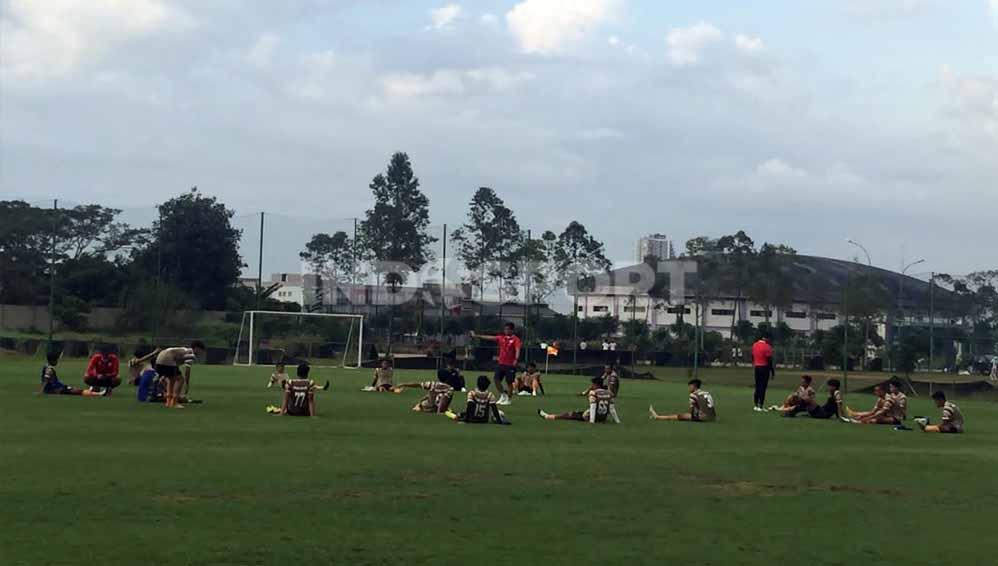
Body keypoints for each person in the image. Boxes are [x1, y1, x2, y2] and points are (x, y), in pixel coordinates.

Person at [470, 322, 522, 406]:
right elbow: (490, 337)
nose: (506, 331)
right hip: (501, 363)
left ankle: (508, 399)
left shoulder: (516, 339)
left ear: (512, 330)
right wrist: (477, 336)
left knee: (509, 382)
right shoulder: (502, 338)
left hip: (510, 364)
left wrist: (516, 359)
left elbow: (517, 349)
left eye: (508, 329)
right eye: (505, 329)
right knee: (496, 380)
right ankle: (503, 395)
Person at [538, 376, 620, 423]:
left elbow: (593, 407)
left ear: (595, 384)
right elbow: (612, 409)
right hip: (602, 418)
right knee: (577, 413)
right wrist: (617, 421)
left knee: (570, 414)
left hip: (591, 417)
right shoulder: (609, 393)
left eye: (592, 384)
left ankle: (548, 416)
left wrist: (592, 421)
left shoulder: (593, 393)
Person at [154, 340, 206, 409]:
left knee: (171, 380)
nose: (201, 353)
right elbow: (186, 369)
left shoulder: (183, 349)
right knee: (180, 379)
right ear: (196, 348)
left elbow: (177, 361)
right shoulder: (191, 354)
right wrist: (187, 384)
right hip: (167, 359)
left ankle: (168, 401)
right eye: (200, 350)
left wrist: (164, 375)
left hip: (159, 359)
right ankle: (174, 402)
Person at [445, 376, 509, 424]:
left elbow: (470, 407)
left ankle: (452, 414)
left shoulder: (472, 393)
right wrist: (500, 421)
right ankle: (457, 414)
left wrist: (466, 419)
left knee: (459, 415)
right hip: (484, 420)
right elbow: (494, 409)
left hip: (472, 418)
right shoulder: (490, 395)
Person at [38, 351, 105, 397]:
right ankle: (99, 394)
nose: (57, 362)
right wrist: (41, 391)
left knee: (73, 389)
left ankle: (93, 391)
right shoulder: (49, 369)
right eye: (56, 360)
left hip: (58, 387)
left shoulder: (46, 366)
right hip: (55, 389)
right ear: (53, 360)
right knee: (76, 392)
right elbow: (46, 380)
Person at [649, 379, 716, 422]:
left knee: (680, 416)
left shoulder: (693, 395)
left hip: (703, 418)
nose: (689, 388)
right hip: (712, 417)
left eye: (690, 386)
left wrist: (687, 416)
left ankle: (657, 417)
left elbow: (691, 410)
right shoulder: (706, 393)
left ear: (694, 386)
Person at [751, 336, 774, 412]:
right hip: (764, 368)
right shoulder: (767, 347)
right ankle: (761, 405)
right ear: (766, 338)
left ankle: (755, 405)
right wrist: (772, 372)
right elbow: (769, 361)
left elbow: (752, 356)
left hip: (757, 367)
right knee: (763, 387)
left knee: (757, 386)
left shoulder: (754, 345)